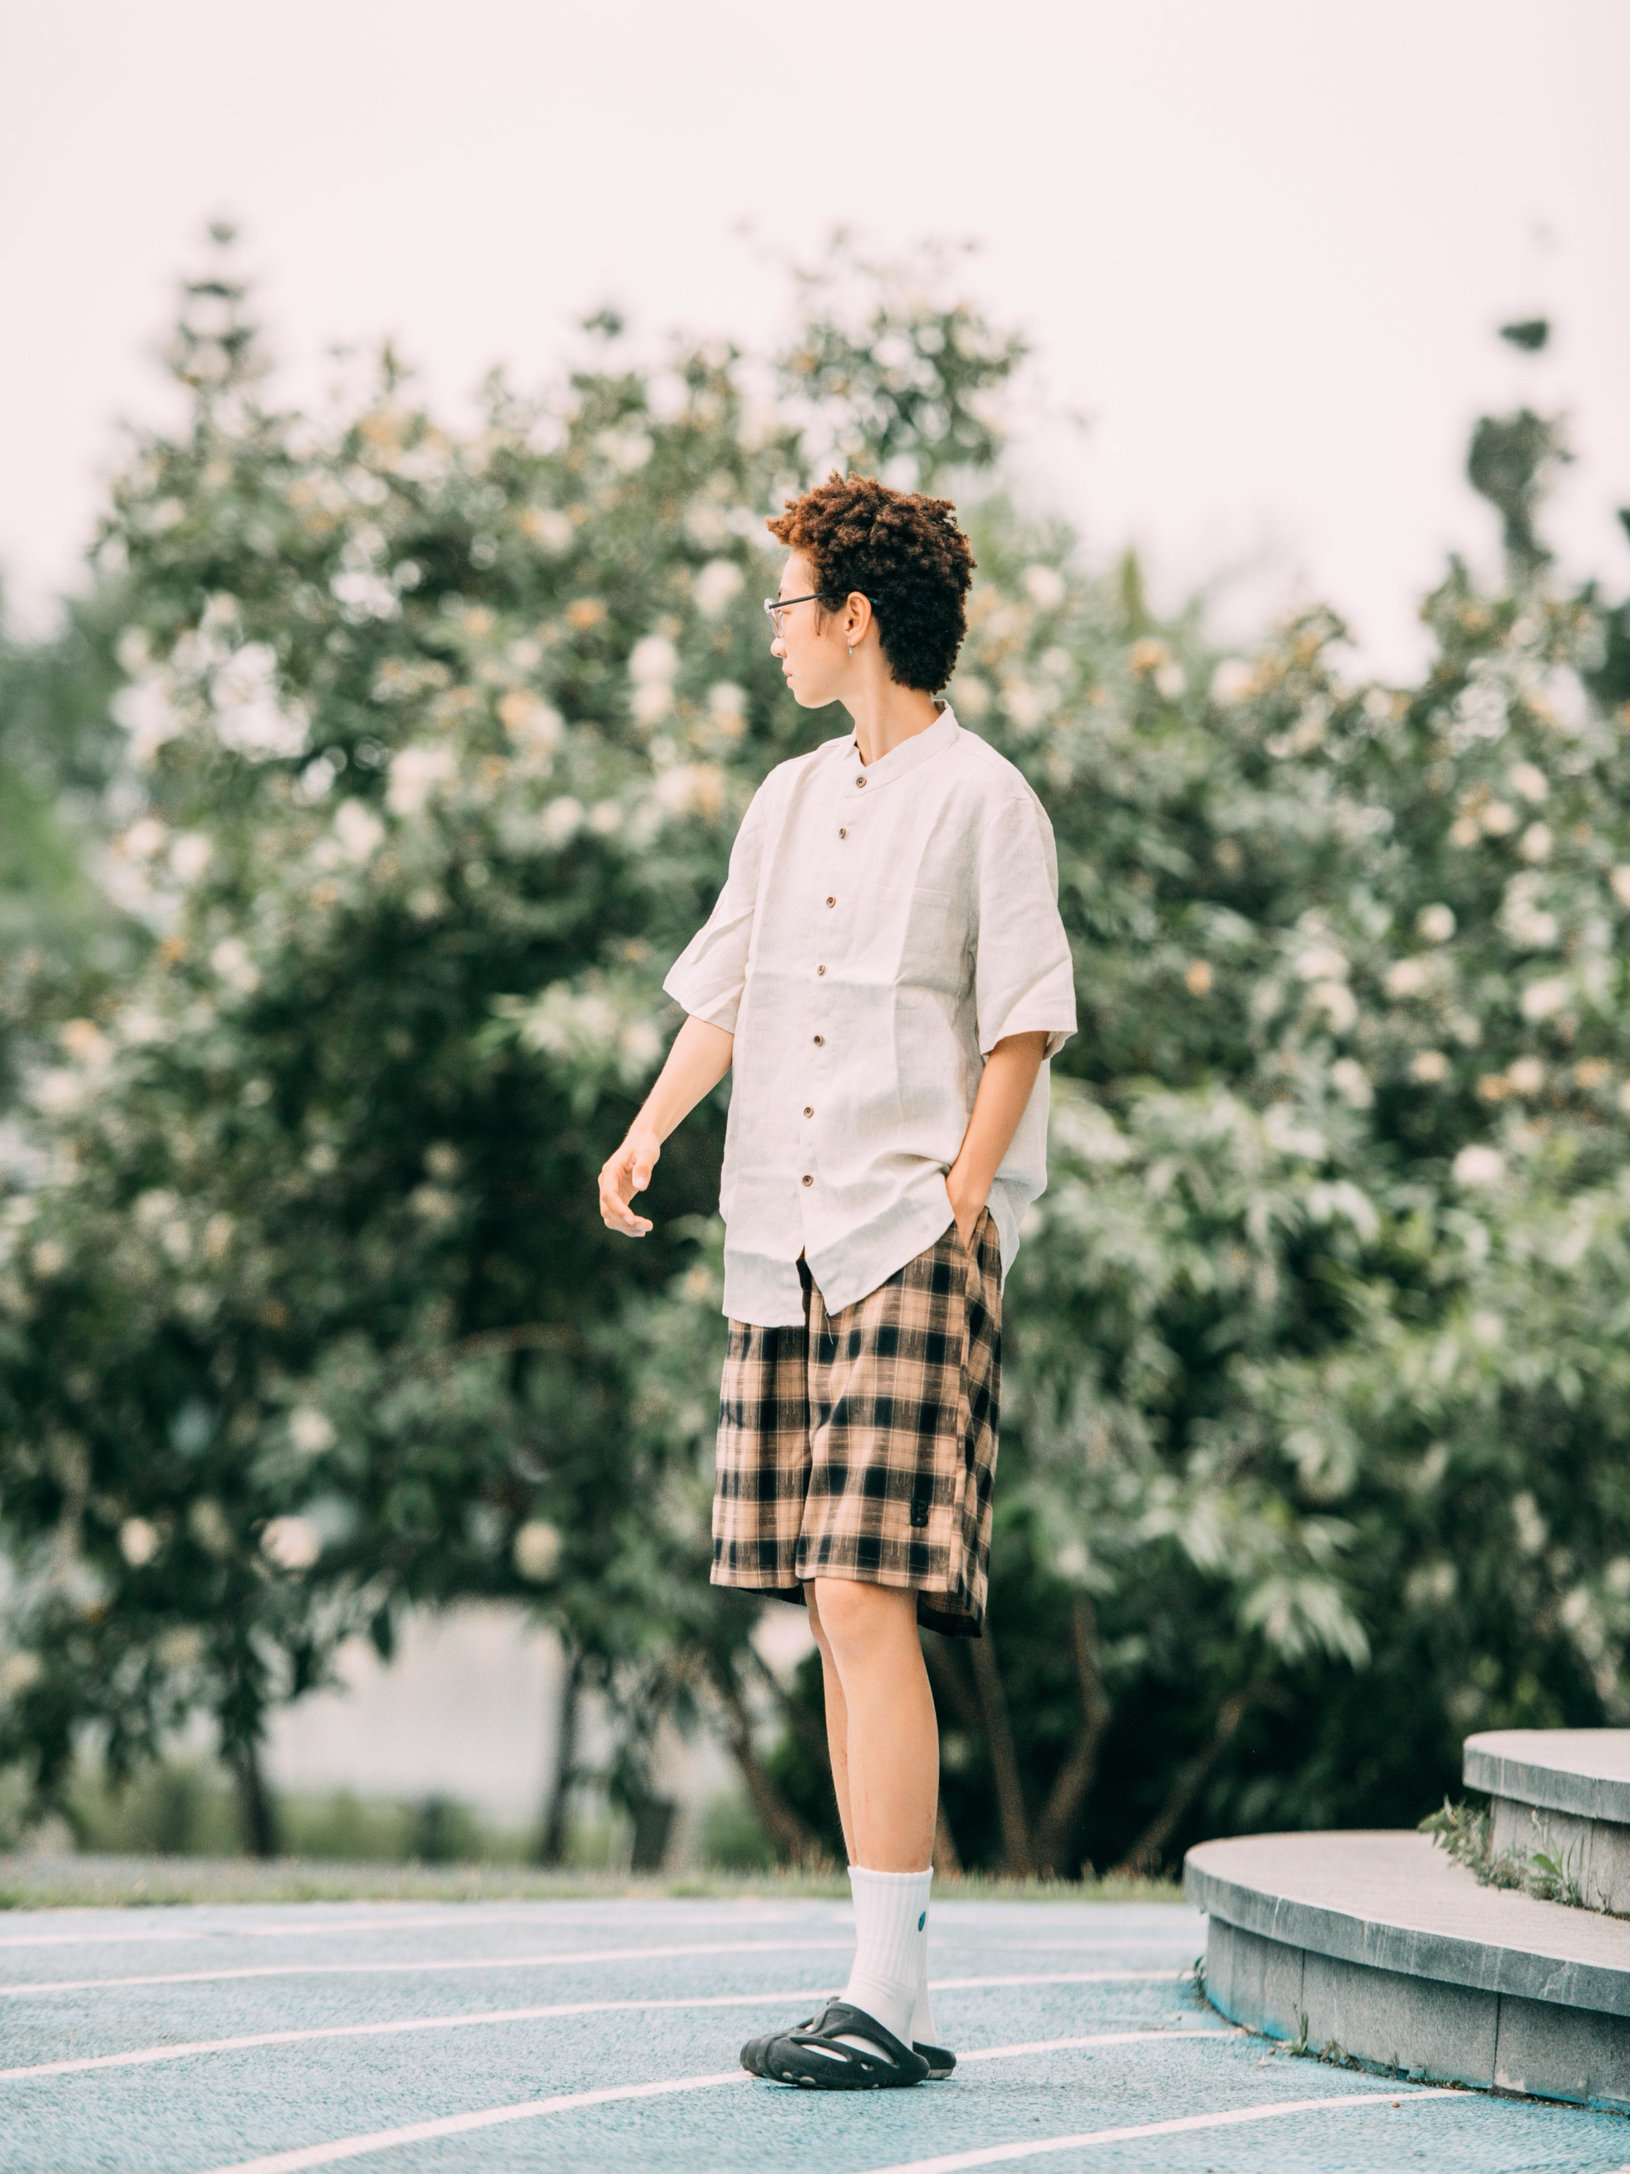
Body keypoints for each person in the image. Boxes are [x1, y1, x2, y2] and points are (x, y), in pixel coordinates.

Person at [597, 472, 1076, 2090]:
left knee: (868, 1595)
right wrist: (649, 1128)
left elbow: (1023, 1017)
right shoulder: (786, 797)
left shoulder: (987, 801)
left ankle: (885, 1985)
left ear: (853, 616)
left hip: (905, 1237)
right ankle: (889, 1987)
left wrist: (959, 1197)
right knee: (826, 1601)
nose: (773, 631)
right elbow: (728, 991)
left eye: (787, 603)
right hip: (779, 1239)